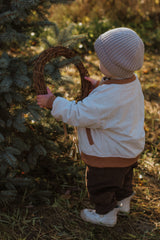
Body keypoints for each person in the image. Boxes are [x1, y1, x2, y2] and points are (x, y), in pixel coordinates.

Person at [37, 27, 145, 227]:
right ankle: (123, 202)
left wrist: (53, 101)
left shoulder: (109, 98)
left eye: (103, 61)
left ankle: (106, 214)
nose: (99, 62)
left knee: (101, 184)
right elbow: (115, 99)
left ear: (115, 66)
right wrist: (100, 85)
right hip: (128, 148)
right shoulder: (131, 81)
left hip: (108, 154)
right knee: (122, 177)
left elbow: (78, 113)